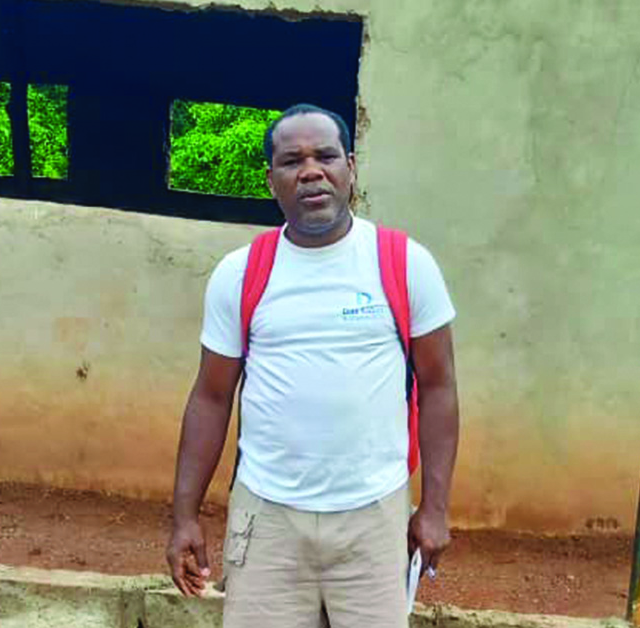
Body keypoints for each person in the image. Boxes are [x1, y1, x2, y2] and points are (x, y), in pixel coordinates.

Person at [165, 103, 460, 628]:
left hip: (373, 515)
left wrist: (434, 507)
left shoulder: (404, 263)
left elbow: (438, 387)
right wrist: (184, 515)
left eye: (325, 156)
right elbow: (211, 397)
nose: (310, 171)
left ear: (350, 168)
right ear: (271, 179)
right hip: (267, 517)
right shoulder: (241, 274)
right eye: (291, 160)